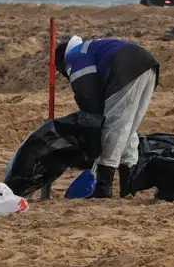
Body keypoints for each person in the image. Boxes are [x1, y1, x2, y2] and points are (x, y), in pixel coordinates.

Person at [54, 35, 160, 199]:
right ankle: (128, 187)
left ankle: (104, 188)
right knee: (128, 127)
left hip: (125, 68)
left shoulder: (73, 58)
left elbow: (87, 96)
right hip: (147, 65)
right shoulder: (89, 49)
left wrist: (93, 131)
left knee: (114, 126)